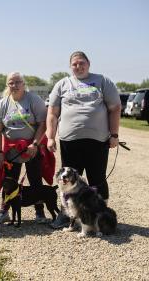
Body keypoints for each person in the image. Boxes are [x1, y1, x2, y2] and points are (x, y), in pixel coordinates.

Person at [46, 51, 121, 229]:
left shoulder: (102, 81)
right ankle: (66, 215)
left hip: (98, 141)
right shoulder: (62, 84)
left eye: (82, 63)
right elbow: (52, 112)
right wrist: (50, 137)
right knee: (68, 180)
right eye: (75, 64)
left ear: (89, 64)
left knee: (98, 179)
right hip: (69, 141)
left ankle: (101, 215)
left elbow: (116, 108)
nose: (78, 67)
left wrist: (114, 134)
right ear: (70, 66)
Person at [0, 72, 48, 224]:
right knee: (9, 180)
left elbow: (43, 124)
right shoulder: (3, 103)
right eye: (11, 83)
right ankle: (4, 210)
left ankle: (39, 211)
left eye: (18, 82)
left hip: (31, 146)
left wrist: (35, 144)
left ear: (24, 84)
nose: (15, 85)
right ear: (7, 85)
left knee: (35, 178)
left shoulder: (33, 99)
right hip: (11, 149)